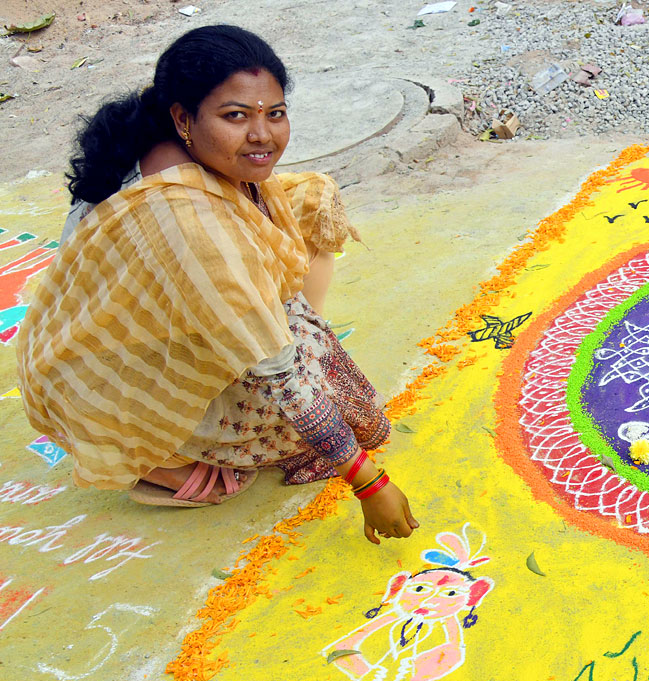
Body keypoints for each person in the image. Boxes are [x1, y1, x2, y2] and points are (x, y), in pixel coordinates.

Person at [17, 25, 418, 543]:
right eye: (236, 116)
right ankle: (161, 456)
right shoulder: (186, 217)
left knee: (313, 197)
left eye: (274, 113)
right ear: (183, 118)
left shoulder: (173, 144)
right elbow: (278, 374)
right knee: (359, 422)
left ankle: (269, 335)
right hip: (111, 382)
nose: (263, 135)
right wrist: (368, 481)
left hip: (115, 340)